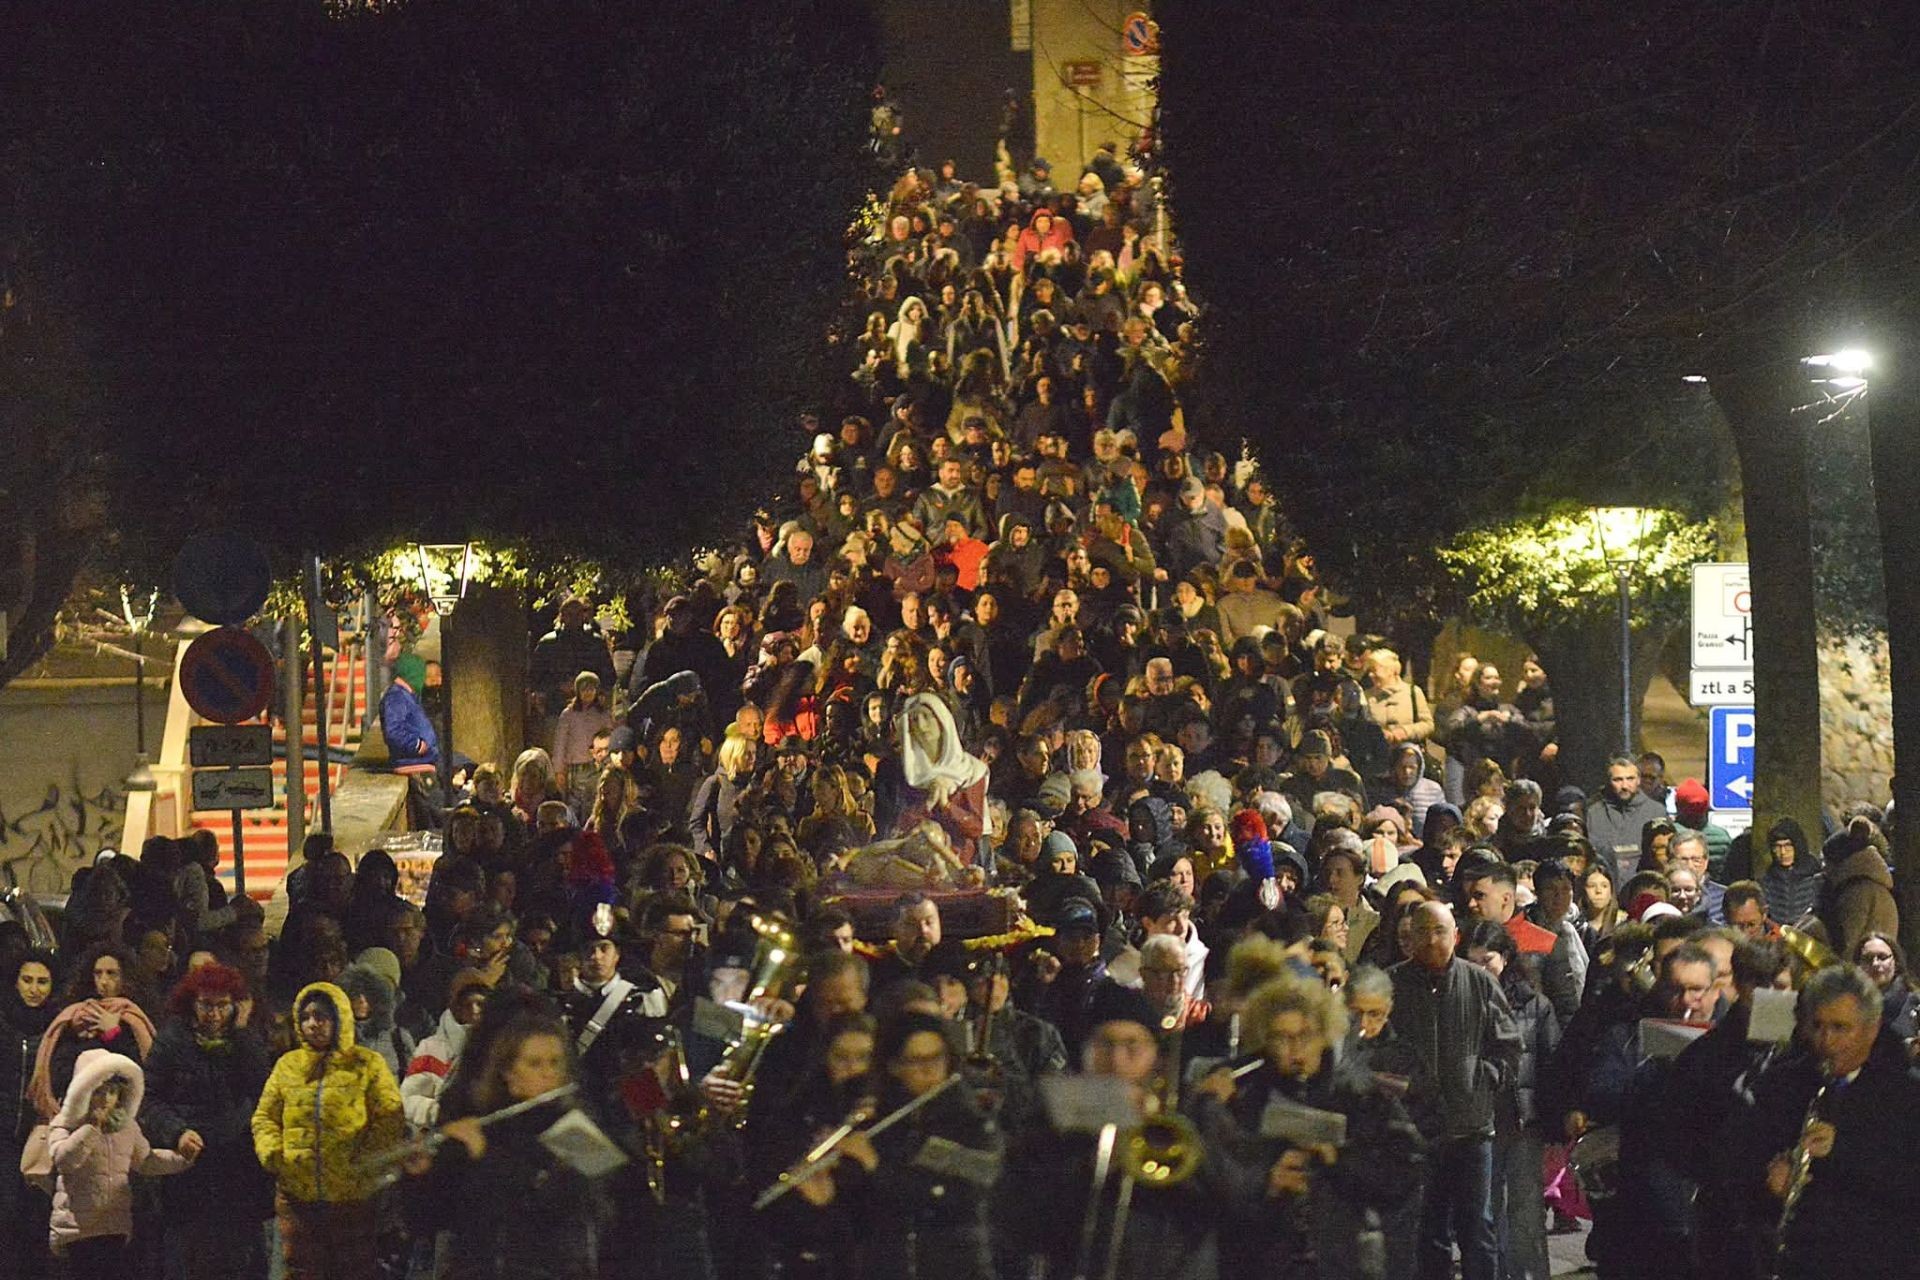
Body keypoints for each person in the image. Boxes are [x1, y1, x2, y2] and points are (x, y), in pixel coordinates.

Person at [1192, 974, 1426, 1279]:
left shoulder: (1356, 1093)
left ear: (1325, 1034)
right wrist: (1266, 1182)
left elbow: (1407, 1167)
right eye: (1281, 1037)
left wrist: (1338, 1160)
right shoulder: (1243, 1092)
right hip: (1261, 1262)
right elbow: (1210, 1182)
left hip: (1341, 1261)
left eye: (1305, 1035)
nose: (1294, 1048)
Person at [400, 1000, 606, 1279]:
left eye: (555, 1063)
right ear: (508, 1072)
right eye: (534, 1063)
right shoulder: (483, 1126)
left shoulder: (576, 1129)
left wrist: (488, 1159)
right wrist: (420, 1176)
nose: (548, 1073)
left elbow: (588, 1207)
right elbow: (428, 1221)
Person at [1742, 965, 1920, 1279]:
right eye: (1818, 1026)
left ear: (1872, 1029)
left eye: (1841, 1028)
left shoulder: (1906, 1095)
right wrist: (1767, 1181)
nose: (1826, 1041)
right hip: (1797, 1260)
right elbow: (1737, 1161)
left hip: (1877, 1262)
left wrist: (1844, 1151)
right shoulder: (1782, 1084)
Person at [1388, 901, 1521, 1280]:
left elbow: (1508, 1045)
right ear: (1408, 939)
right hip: (1416, 1133)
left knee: (1478, 1229)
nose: (1432, 940)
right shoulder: (1392, 985)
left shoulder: (1479, 982)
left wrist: (1484, 1079)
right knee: (1428, 1232)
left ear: (1455, 936)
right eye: (1423, 932)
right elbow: (1374, 1049)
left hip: (1472, 1130)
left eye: (1440, 931)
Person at [252, 982, 404, 1280]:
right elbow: (265, 1117)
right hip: (298, 1196)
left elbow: (390, 1117)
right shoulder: (288, 1066)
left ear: (340, 1018)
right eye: (307, 1017)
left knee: (354, 1270)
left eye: (322, 1016)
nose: (313, 1024)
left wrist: (363, 1161)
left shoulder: (367, 1064)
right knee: (301, 1270)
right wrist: (274, 1153)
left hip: (351, 1197)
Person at [140, 962, 273, 1280]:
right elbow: (148, 1099)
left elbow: (264, 1090)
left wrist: (242, 1033)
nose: (213, 1014)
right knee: (190, 1258)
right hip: (190, 1167)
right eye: (206, 1005)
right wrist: (176, 1131)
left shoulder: (245, 1042)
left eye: (222, 1005)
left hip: (237, 1166)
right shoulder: (173, 1040)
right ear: (191, 1002)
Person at [46, 1049, 200, 1277]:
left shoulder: (126, 1126)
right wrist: (91, 1129)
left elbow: (146, 1161)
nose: (107, 1099)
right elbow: (64, 1160)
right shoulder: (66, 1124)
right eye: (99, 1091)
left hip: (115, 1225)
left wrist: (182, 1160)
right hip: (77, 1229)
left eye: (113, 1092)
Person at [1, 950, 57, 1277]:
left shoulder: (59, 1024)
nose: (34, 989)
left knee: (37, 1217)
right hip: (4, 1132)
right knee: (6, 1214)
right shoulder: (4, 1019)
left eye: (42, 981)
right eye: (27, 980)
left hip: (41, 1133)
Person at [1583, 757, 1667, 874]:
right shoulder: (1594, 813)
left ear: (1638, 780)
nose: (1624, 786)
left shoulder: (1656, 812)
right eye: (1617, 780)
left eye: (1630, 779)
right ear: (1608, 781)